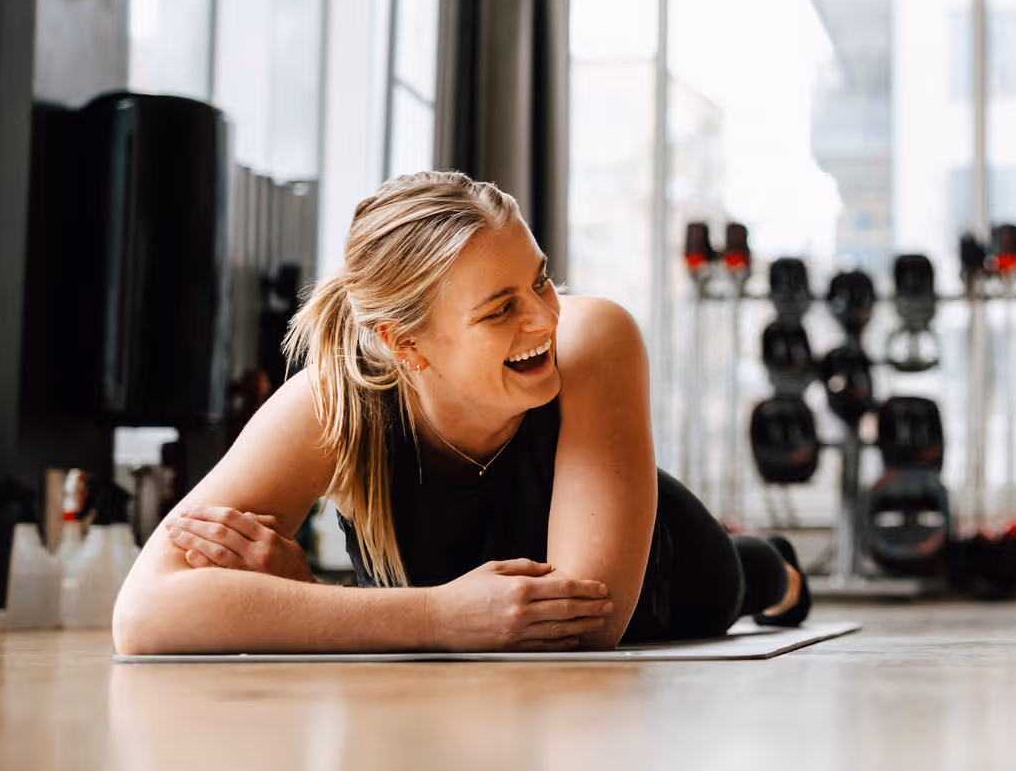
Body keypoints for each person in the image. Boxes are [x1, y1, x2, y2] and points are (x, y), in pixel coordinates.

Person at [112, 171, 807, 655]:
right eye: (500, 308)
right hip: (472, 608)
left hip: (667, 579)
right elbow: (143, 615)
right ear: (405, 344)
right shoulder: (333, 401)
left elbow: (581, 620)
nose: (543, 318)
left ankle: (779, 567)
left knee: (753, 577)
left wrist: (313, 603)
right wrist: (437, 615)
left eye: (539, 279)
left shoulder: (592, 337)